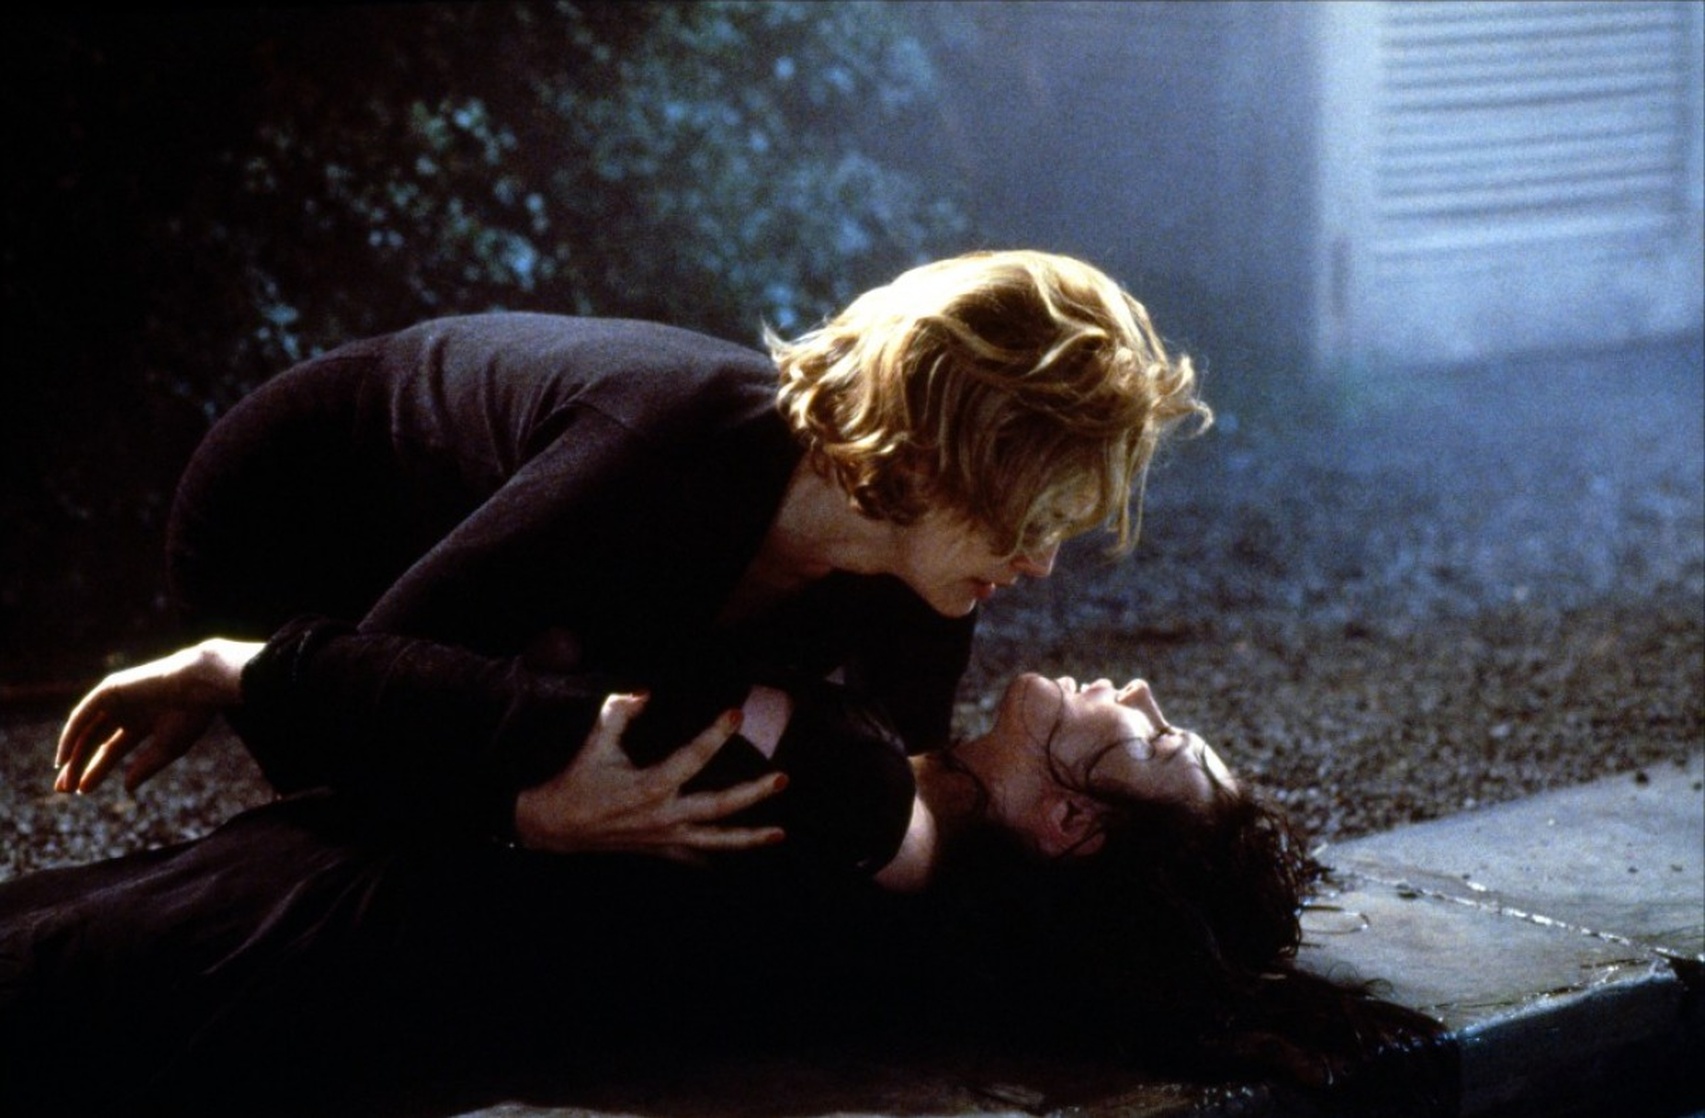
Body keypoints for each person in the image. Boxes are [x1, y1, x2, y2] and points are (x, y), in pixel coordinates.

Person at [53, 249, 1210, 860]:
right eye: (1026, 522)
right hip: (301, 519)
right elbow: (362, 680)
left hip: (546, 586)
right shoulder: (665, 454)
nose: (1040, 565)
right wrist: (523, 811)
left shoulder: (926, 575)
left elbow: (891, 797)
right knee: (462, 771)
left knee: (625, 737)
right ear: (932, 462)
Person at [7, 620, 1360, 1117]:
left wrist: (240, 668)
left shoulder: (839, 784)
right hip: (334, 994)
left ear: (1071, 825)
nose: (1137, 691)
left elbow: (517, 714)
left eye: (1155, 739)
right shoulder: (914, 923)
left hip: (284, 933)